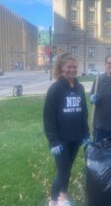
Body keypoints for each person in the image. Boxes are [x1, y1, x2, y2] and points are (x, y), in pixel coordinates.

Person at [43, 53, 89, 206]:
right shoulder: (55, 89)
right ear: (62, 68)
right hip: (61, 140)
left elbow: (84, 113)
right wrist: (53, 141)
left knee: (67, 169)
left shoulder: (80, 88)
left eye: (74, 67)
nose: (72, 70)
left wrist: (86, 133)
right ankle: (53, 201)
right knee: (62, 171)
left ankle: (63, 198)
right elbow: (48, 118)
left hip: (76, 138)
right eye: (69, 66)